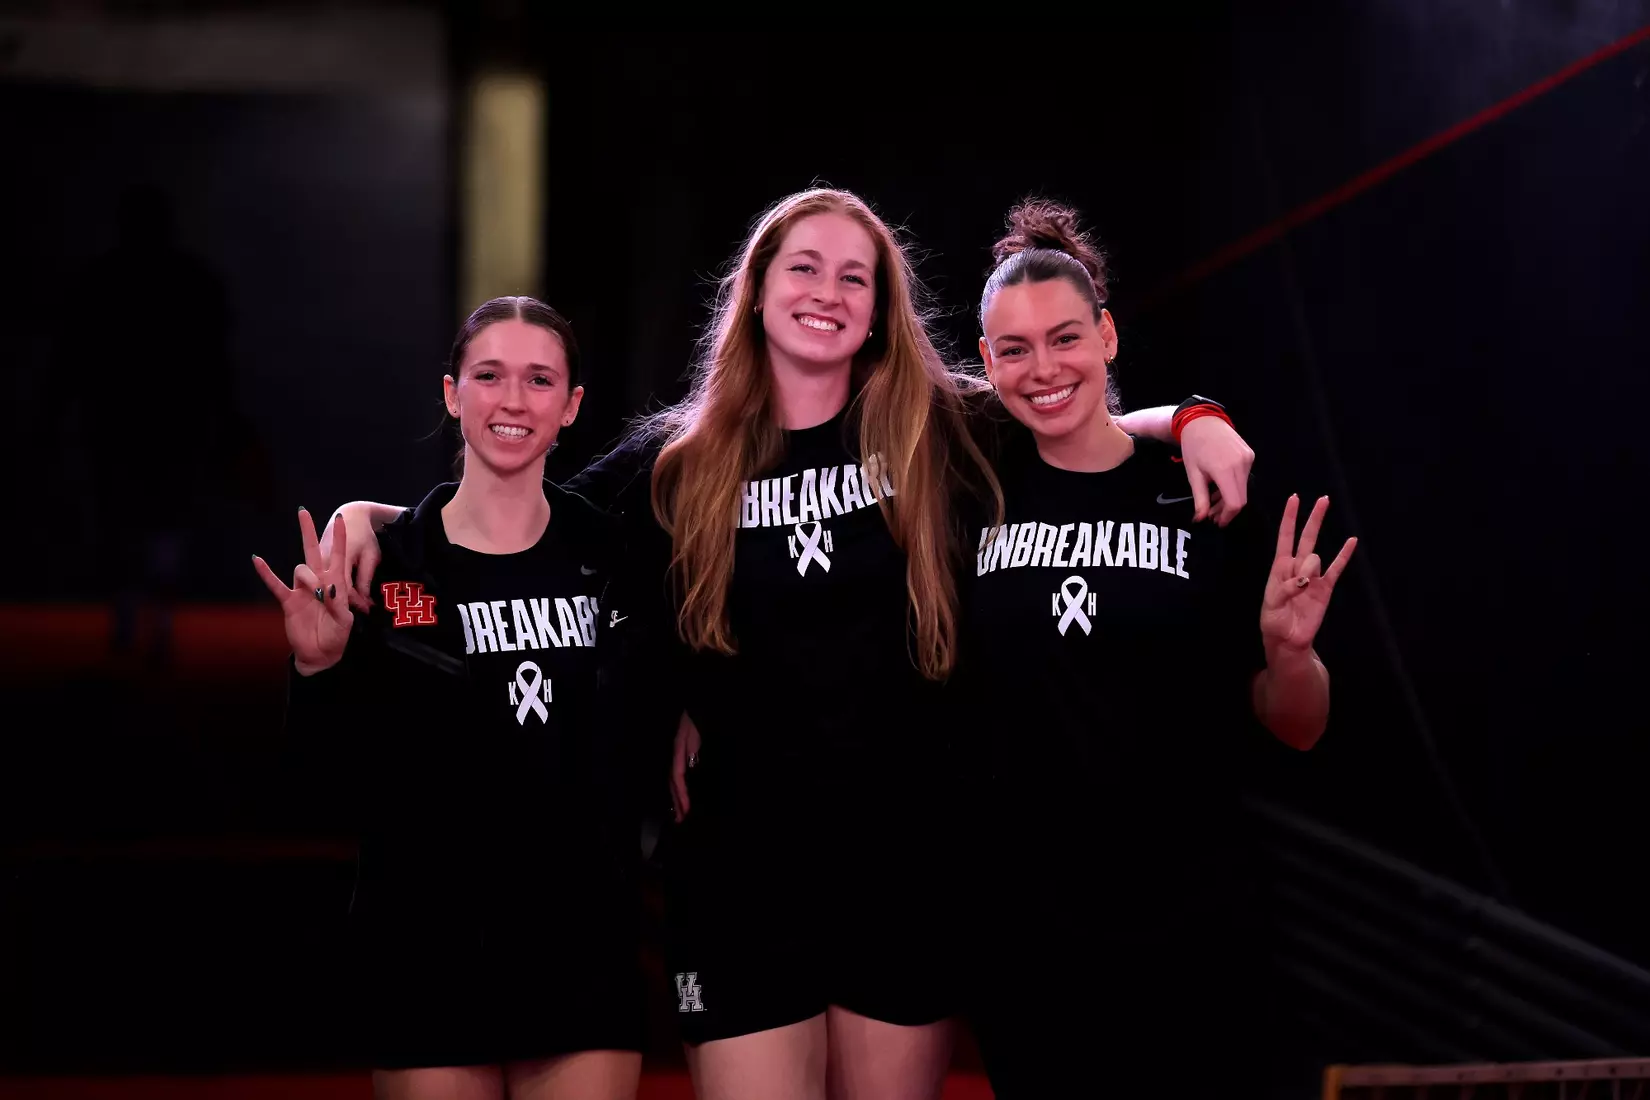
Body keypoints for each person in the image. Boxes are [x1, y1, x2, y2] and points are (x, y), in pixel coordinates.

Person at [322, 189, 1258, 1100]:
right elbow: (523, 520)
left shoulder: (936, 428)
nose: (828, 292)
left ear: (880, 309)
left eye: (855, 278)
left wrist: (1192, 418)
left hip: (903, 870)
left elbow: (1062, 409)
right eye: (804, 267)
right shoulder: (681, 460)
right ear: (757, 289)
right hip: (742, 876)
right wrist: (382, 520)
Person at [956, 200, 1357, 1096]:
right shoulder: (967, 489)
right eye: (1013, 349)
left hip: (1197, 928)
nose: (1044, 368)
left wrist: (1291, 655)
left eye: (1065, 338)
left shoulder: (1206, 493)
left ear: (1105, 335)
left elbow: (1296, 729)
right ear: (986, 362)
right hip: (1029, 939)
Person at [252, 297, 645, 1100]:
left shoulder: (616, 557)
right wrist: (318, 668)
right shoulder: (381, 570)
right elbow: (317, 791)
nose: (512, 401)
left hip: (581, 956)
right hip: (425, 957)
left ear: (571, 407)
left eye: (540, 380)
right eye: (489, 376)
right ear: (450, 393)